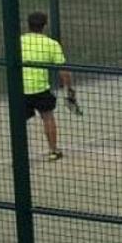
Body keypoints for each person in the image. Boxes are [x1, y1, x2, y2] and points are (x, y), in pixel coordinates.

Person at [20, 12, 76, 162]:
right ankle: (53, 151)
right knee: (48, 118)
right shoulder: (51, 44)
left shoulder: (18, 42)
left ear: (28, 24)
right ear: (44, 25)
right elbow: (63, 70)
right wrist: (69, 89)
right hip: (41, 89)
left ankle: (19, 152)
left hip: (20, 89)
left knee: (18, 122)